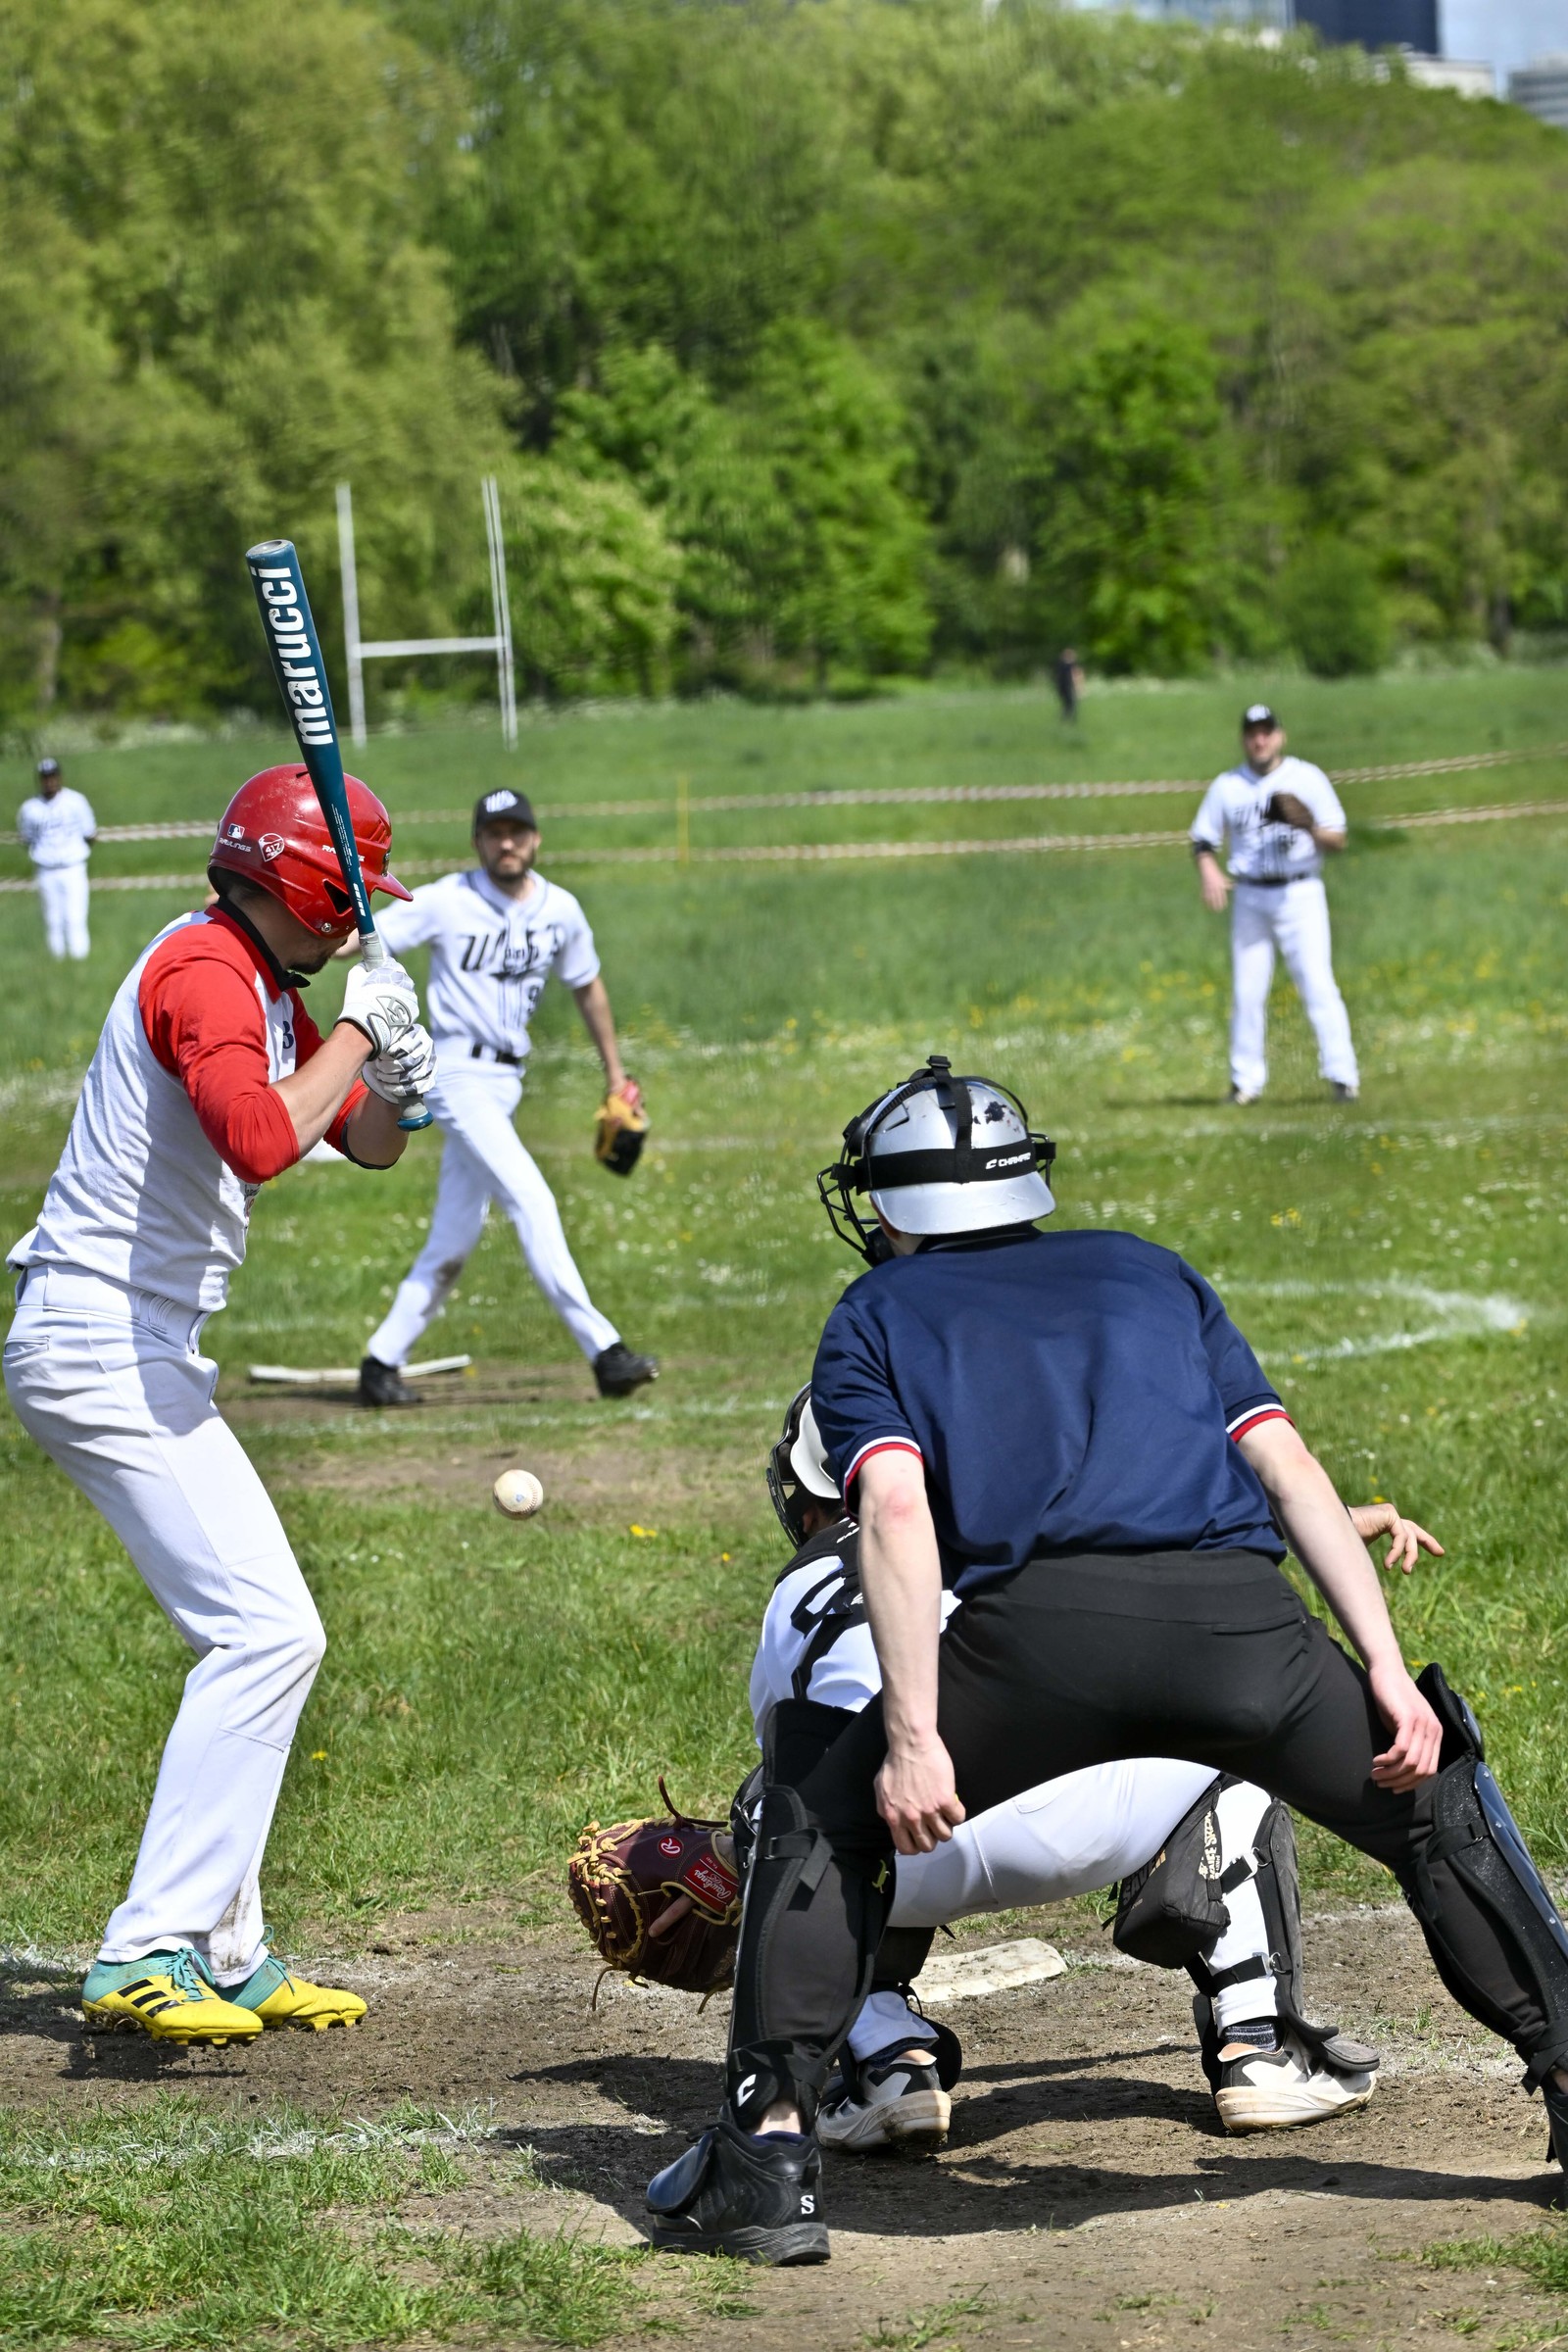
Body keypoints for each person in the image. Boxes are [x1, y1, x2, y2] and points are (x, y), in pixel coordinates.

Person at [646, 1055, 1568, 2264]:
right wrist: (1385, 1673)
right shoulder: (1149, 1267)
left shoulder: (871, 1315)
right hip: (1244, 1632)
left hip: (1039, 1646)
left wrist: (915, 1738)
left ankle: (764, 2157)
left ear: (892, 1209)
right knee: (1435, 1807)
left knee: (813, 1817)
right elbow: (1287, 1470)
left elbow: (898, 1521)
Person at [4, 764, 436, 2046]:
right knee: (267, 1633)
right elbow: (258, 1139)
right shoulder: (202, 971)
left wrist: (396, 1068)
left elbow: (359, 1140)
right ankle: (146, 1946)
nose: (357, 926)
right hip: (96, 1343)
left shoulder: (259, 977)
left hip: (136, 1346)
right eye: (348, 903)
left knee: (259, 1632)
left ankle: (231, 1950)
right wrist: (355, 1030)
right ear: (302, 885)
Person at [744, 1388, 1437, 2149]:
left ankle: (886, 2060)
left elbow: (802, 1766)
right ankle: (1258, 2041)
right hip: (1097, 1818)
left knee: (775, 1808)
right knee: (1230, 1722)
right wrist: (1334, 1529)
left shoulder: (794, 1593)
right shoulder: (1028, 1519)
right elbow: (1177, 1555)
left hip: (909, 1845)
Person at [357, 786, 656, 1406]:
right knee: (532, 1199)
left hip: (506, 1081)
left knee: (453, 1242)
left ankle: (381, 1362)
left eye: (517, 830)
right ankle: (604, 1351)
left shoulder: (561, 909)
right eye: (494, 832)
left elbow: (587, 985)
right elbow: (364, 939)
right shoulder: (446, 900)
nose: (507, 841)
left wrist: (614, 1074)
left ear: (536, 838)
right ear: (478, 841)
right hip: (455, 1072)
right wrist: (269, 927)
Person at [1192, 705, 1359, 1106]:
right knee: (1248, 991)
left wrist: (1308, 826)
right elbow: (1202, 838)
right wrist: (1209, 871)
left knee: (1317, 984)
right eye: (1252, 732)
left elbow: (1339, 839)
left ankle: (1343, 1076)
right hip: (1250, 895)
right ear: (1244, 738)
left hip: (1300, 893)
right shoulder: (1228, 785)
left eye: (1267, 731)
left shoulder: (1306, 778)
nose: (1259, 739)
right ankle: (1245, 1083)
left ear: (1279, 736)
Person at [18, 756, 96, 961]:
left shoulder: (76, 801)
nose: (49, 781)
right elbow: (27, 838)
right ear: (40, 780)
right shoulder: (30, 808)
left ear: (59, 777)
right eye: (45, 777)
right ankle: (57, 959)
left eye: (52, 776)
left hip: (73, 867)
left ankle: (80, 959)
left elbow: (89, 833)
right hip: (46, 869)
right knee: (53, 919)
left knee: (75, 917)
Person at [1053, 648, 1083, 724]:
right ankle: (1070, 720)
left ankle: (1066, 719)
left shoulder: (1060, 665)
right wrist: (1078, 687)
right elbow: (1075, 676)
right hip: (1067, 686)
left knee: (1067, 704)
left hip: (1062, 687)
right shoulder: (1071, 665)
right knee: (1070, 704)